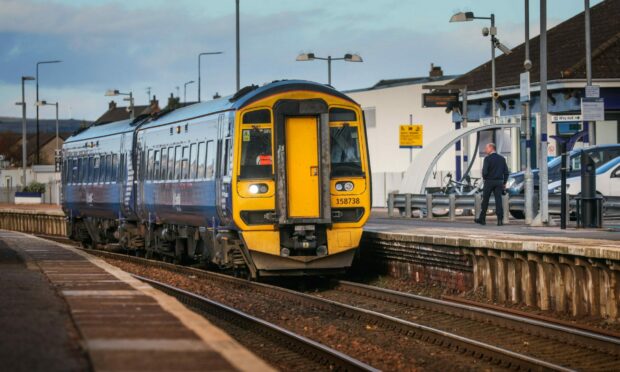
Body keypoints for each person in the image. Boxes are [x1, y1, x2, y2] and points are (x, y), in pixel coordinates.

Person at [475, 143, 510, 226]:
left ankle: (482, 219)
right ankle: (500, 220)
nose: (485, 150)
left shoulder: (487, 159)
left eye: (486, 148)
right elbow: (506, 172)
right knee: (498, 201)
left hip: (489, 181)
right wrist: (504, 182)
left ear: (491, 148)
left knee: (485, 201)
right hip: (499, 182)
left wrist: (485, 178)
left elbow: (485, 172)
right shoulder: (502, 159)